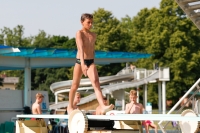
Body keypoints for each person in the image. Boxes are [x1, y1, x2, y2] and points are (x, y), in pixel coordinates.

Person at [67, 13, 114, 115]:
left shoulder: (93, 35)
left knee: (96, 83)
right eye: (88, 22)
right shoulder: (79, 33)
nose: (90, 24)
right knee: (75, 85)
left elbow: (92, 50)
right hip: (80, 61)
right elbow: (81, 48)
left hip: (91, 62)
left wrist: (91, 63)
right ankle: (69, 106)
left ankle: (102, 106)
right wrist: (83, 64)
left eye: (92, 22)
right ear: (82, 22)